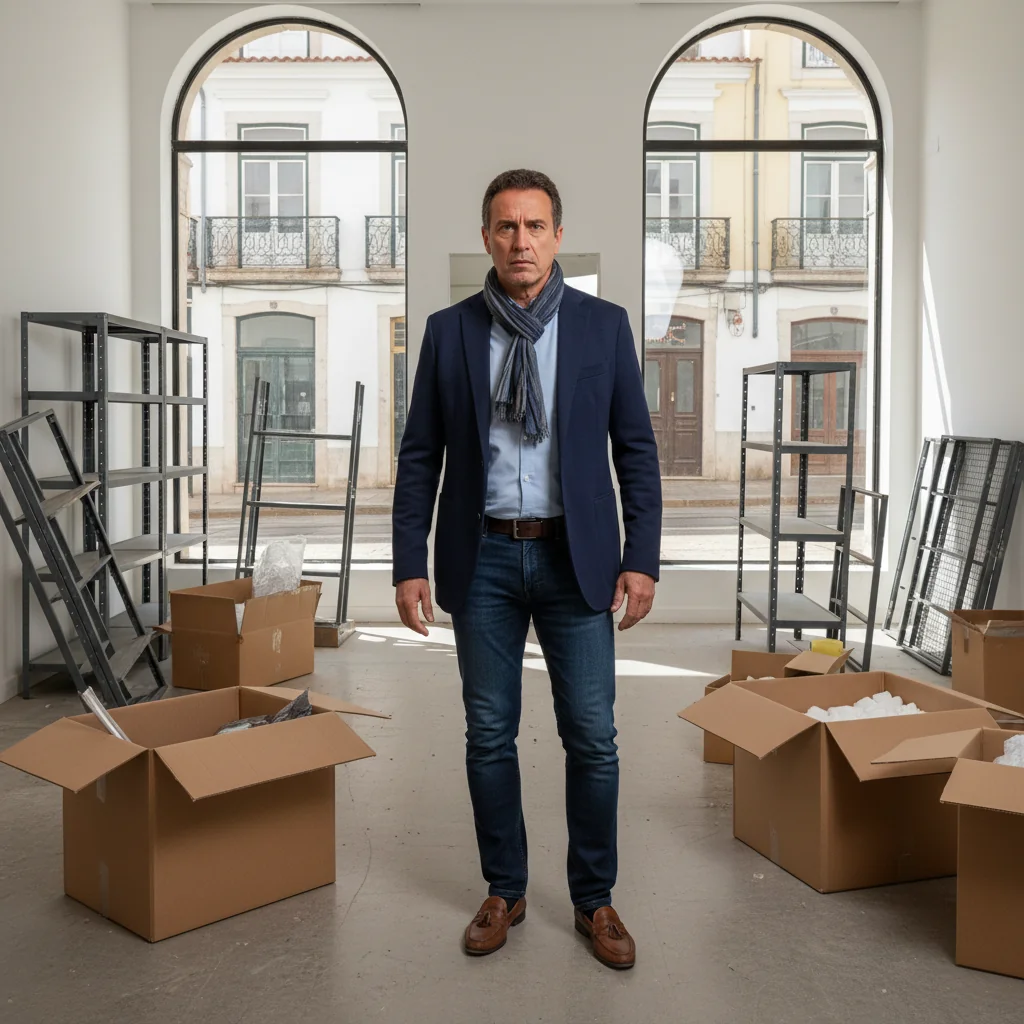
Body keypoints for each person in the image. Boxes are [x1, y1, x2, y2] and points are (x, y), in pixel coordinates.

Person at [392, 169, 662, 970]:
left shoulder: (602, 327)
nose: (521, 241)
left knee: (594, 737)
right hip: (481, 560)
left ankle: (594, 898)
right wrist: (409, 562)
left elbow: (635, 452)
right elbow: (419, 457)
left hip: (576, 558)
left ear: (557, 235)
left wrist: (641, 558)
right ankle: (504, 890)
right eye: (506, 227)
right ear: (486, 237)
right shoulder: (449, 332)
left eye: (535, 226)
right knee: (488, 734)